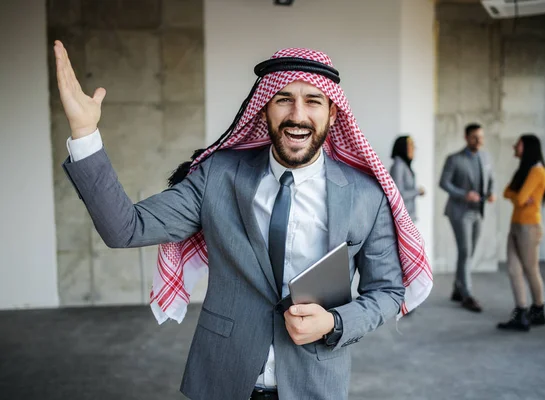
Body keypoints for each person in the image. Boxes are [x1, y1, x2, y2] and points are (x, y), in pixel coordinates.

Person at [54, 40, 433, 400]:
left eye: (313, 101)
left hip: (315, 385)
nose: (297, 115)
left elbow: (387, 292)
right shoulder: (217, 177)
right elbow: (126, 228)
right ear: (265, 107)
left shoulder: (366, 196)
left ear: (333, 114)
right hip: (222, 380)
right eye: (284, 99)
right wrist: (85, 133)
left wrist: (335, 323)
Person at [439, 123, 495, 313]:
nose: (479, 140)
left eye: (481, 137)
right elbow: (444, 183)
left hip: (478, 211)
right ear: (466, 137)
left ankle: (457, 288)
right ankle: (467, 295)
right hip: (459, 211)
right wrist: (464, 194)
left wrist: (491, 193)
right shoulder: (454, 159)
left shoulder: (485, 157)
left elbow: (490, 178)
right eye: (474, 137)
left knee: (468, 254)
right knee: (465, 250)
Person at [497, 134, 545, 332]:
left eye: (517, 145)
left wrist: (518, 196)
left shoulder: (537, 171)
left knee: (530, 269)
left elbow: (519, 199)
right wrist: (517, 195)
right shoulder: (524, 170)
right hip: (516, 225)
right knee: (513, 268)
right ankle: (521, 312)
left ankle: (538, 309)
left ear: (527, 147)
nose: (514, 147)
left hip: (530, 227)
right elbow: (508, 193)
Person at [390, 135, 425, 222]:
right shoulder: (398, 166)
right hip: (402, 218)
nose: (414, 149)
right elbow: (398, 195)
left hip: (409, 217)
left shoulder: (405, 166)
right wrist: (418, 191)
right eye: (411, 145)